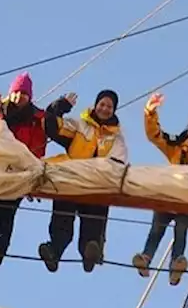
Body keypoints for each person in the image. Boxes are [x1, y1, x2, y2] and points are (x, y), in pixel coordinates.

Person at [132, 92, 188, 286]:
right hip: (170, 194)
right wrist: (150, 112)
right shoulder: (178, 145)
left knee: (181, 229)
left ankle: (176, 265)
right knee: (157, 228)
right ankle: (146, 258)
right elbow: (156, 136)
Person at [37, 89, 127, 273]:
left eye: (109, 106)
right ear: (95, 105)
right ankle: (54, 250)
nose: (105, 108)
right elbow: (51, 125)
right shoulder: (79, 126)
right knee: (62, 219)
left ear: (114, 110)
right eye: (102, 104)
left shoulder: (116, 138)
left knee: (93, 224)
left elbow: (119, 164)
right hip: (72, 179)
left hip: (96, 185)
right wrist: (60, 106)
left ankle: (90, 253)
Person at [0, 73, 47, 266]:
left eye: (23, 93)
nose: (19, 97)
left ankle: (1, 246)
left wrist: (32, 169)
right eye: (16, 92)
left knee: (8, 210)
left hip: (19, 168)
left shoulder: (35, 119)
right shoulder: (1, 111)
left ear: (29, 96)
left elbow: (38, 146)